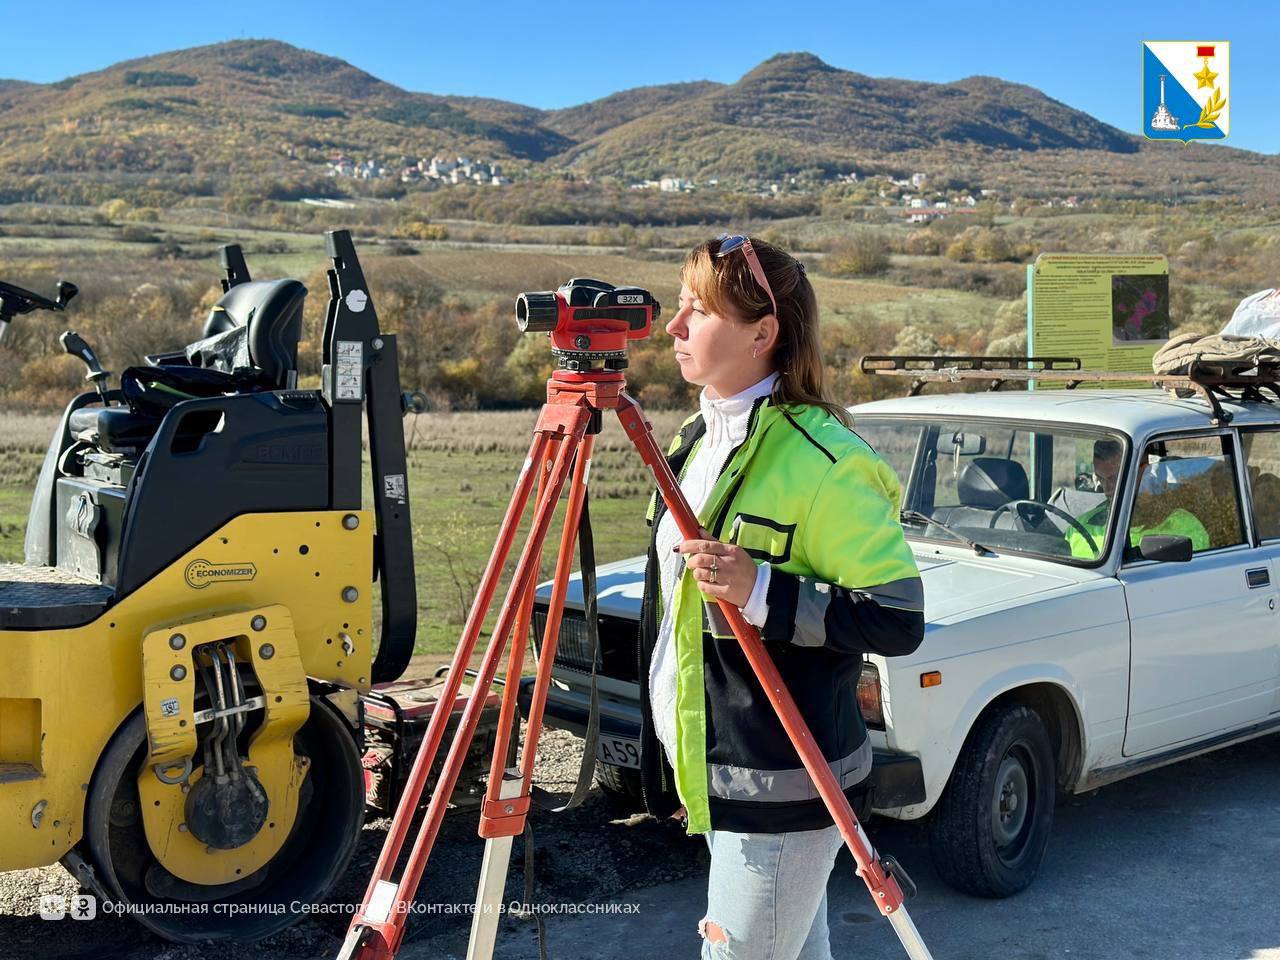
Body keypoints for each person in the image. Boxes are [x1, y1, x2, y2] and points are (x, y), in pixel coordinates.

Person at [637, 234, 925, 960]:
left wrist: (764, 589)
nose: (674, 328)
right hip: (721, 770)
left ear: (762, 333)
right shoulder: (697, 439)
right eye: (679, 306)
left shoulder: (828, 461)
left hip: (787, 789)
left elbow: (897, 619)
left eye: (696, 311)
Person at [1065, 438, 1209, 559]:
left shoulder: (1185, 527)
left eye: (1115, 478)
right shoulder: (1079, 528)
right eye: (1101, 478)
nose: (1107, 488)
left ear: (1144, 469)